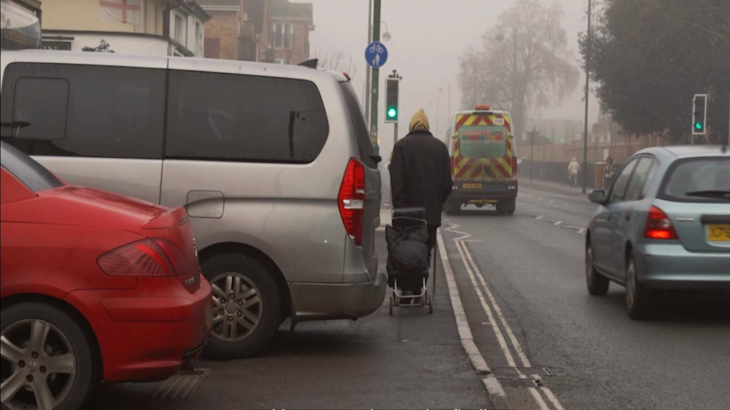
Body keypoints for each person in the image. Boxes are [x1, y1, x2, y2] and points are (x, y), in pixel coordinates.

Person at [389, 109, 452, 292]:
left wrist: (401, 208)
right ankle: (420, 289)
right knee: (425, 251)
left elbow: (396, 183)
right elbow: (447, 185)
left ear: (411, 126)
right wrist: (437, 203)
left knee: (404, 250)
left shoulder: (400, 147)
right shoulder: (440, 148)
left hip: (405, 214)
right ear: (427, 126)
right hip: (430, 215)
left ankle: (405, 288)